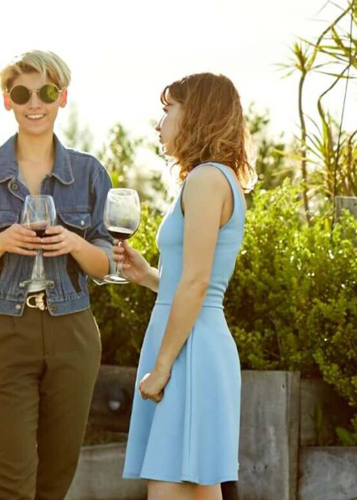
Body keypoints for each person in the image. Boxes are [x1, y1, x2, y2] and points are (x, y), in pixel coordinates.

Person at [0, 50, 114, 500]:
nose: (35, 102)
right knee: (13, 485)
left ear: (63, 97)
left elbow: (109, 265)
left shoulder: (90, 174)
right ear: (7, 101)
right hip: (2, 331)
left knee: (55, 484)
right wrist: (1, 242)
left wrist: (75, 244)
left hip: (73, 332)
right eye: (22, 93)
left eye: (46, 92)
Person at [113, 72, 254, 500]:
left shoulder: (206, 180)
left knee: (172, 487)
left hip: (189, 353)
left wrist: (162, 367)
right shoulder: (213, 178)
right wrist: (148, 276)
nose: (159, 124)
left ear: (196, 115)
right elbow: (190, 285)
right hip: (193, 345)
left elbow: (196, 284)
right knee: (194, 487)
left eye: (167, 109)